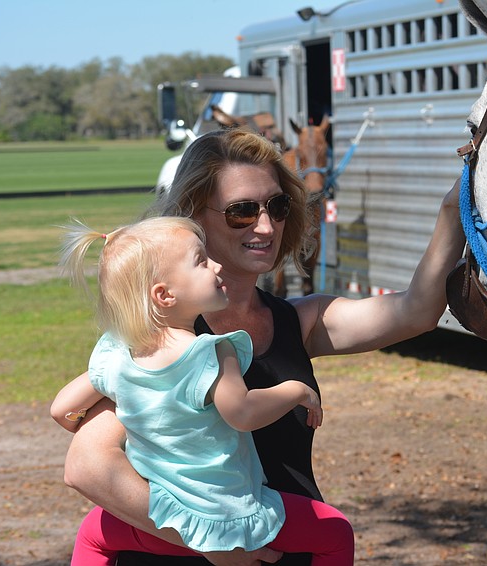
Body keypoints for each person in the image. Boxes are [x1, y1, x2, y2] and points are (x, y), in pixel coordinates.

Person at [60, 128, 466, 566]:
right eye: (242, 211)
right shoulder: (160, 336)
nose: (266, 225)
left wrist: (452, 211)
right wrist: (212, 545)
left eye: (277, 205)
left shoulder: (299, 319)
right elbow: (88, 466)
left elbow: (415, 311)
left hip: (286, 550)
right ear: (193, 215)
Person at [50, 216, 354, 565]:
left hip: (158, 510)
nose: (215, 265)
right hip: (224, 515)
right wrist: (296, 391)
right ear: (164, 295)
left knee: (93, 534)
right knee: (335, 532)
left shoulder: (115, 353)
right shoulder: (210, 353)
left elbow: (62, 410)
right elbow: (243, 413)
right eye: (201, 260)